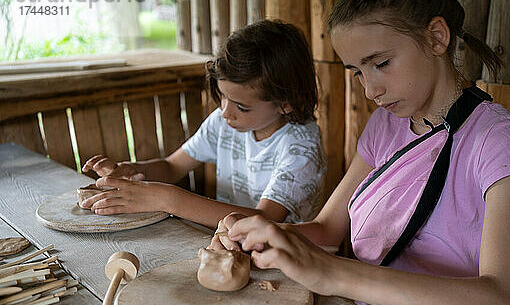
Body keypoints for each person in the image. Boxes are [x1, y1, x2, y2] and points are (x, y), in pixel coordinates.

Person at [210, 0, 510, 305]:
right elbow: (327, 230)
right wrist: (269, 235)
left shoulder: (497, 139)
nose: (370, 89)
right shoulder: (386, 125)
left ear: (436, 37)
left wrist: (334, 274)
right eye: (357, 72)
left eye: (382, 63)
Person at [80, 19, 326, 228]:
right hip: (234, 248)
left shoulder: (300, 147)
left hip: (288, 264)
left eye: (242, 106)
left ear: (286, 103)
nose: (226, 112)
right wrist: (129, 170)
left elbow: (265, 220)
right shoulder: (225, 122)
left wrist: (168, 199)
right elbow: (171, 166)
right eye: (223, 97)